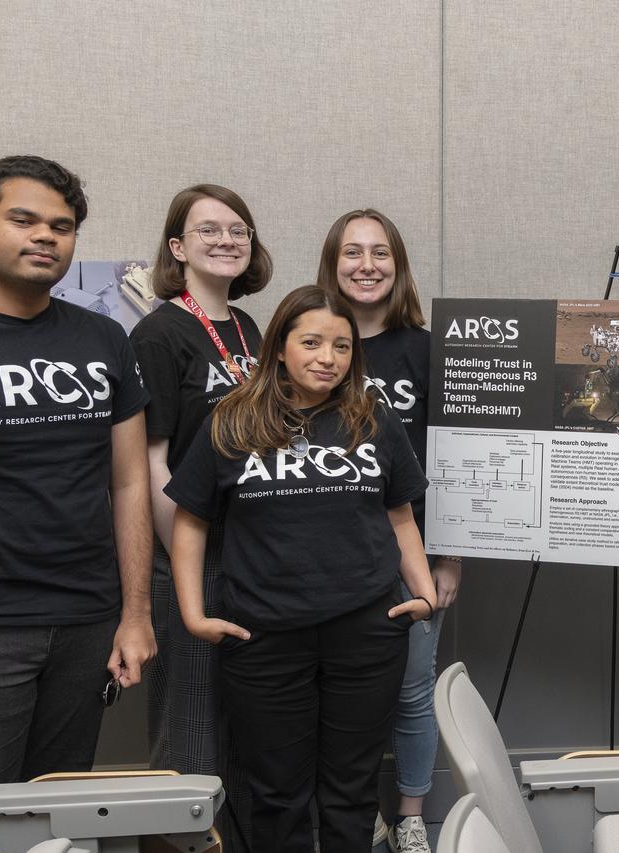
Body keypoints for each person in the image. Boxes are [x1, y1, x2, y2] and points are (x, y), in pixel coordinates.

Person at [165, 285, 437, 852]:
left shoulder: (373, 420)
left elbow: (400, 515)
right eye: (311, 342)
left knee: (351, 792)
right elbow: (190, 522)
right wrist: (192, 614)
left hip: (366, 633)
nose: (327, 358)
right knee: (276, 796)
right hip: (263, 637)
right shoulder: (233, 420)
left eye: (342, 346)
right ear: (280, 347)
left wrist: (425, 596)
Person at [0, 155, 154, 805]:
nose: (46, 236)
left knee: (56, 814)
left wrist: (135, 613)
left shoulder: (105, 338)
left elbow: (130, 483)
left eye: (61, 226)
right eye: (23, 220)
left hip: (86, 620)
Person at [129, 184, 272, 847]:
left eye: (238, 229)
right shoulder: (159, 333)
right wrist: (185, 555)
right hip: (188, 552)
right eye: (208, 229)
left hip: (251, 553)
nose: (226, 240)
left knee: (241, 721)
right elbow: (150, 459)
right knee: (189, 726)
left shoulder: (249, 329)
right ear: (178, 247)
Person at [316, 208, 461, 853]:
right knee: (336, 694)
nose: (366, 265)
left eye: (380, 253)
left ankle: (410, 817)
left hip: (414, 550)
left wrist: (450, 556)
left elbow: (457, 458)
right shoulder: (311, 343)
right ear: (333, 263)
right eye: (352, 252)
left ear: (398, 266)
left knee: (411, 691)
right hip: (329, 551)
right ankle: (354, 810)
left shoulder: (427, 350)